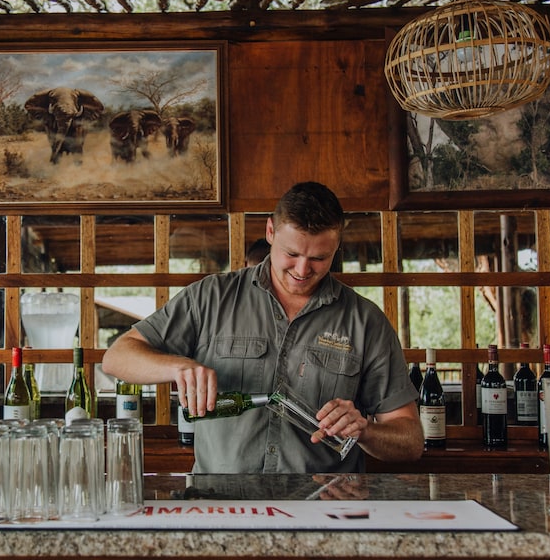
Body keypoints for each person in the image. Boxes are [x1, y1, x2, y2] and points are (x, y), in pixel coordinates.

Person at [102, 181, 423, 473]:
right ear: (270, 231)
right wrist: (178, 366)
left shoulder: (365, 321)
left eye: (319, 258)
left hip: (323, 510)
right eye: (291, 253)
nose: (302, 269)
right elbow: (117, 357)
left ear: (337, 246)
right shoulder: (211, 297)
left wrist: (364, 430)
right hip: (221, 505)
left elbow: (410, 441)